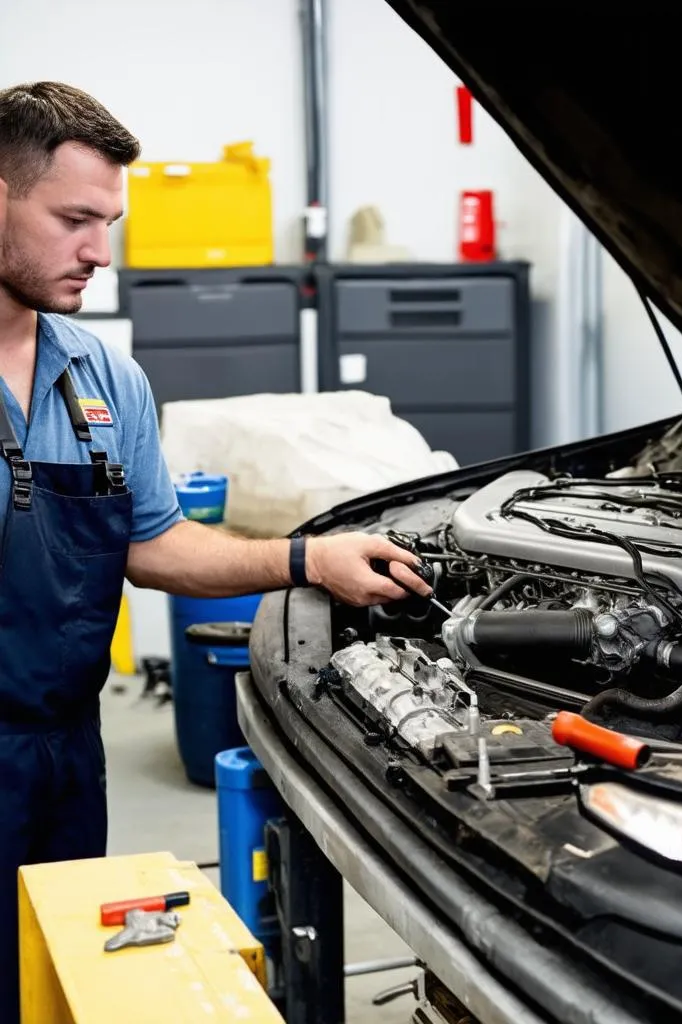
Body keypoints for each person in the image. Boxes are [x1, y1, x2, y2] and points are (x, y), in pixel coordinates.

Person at [0, 80, 431, 1018]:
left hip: (63, 751)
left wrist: (309, 559)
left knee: (57, 978)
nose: (98, 252)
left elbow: (151, 544)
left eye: (108, 221)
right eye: (74, 218)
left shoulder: (101, 374)